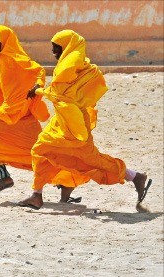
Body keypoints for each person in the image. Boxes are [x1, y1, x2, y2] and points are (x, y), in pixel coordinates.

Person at [20, 30, 152, 210]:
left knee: (91, 159)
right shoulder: (79, 63)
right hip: (62, 121)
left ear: (66, 47)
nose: (53, 52)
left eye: (56, 48)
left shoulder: (69, 65)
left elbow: (60, 95)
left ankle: (135, 176)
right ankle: (36, 194)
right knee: (41, 150)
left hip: (74, 125)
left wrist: (37, 91)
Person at [0, 25, 50, 195]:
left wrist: (38, 85)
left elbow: (38, 71)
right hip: (14, 113)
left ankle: (64, 181)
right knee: (38, 151)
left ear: (5, 41)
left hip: (19, 110)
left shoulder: (16, 58)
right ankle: (5, 177)